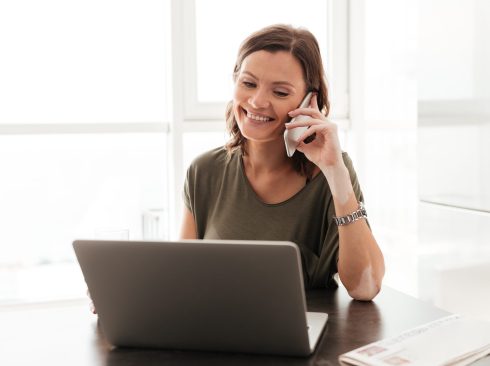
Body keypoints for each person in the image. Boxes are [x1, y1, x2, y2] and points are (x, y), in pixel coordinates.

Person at [181, 24, 384, 301]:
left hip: (303, 337)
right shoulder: (204, 171)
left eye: (280, 92)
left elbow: (365, 287)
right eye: (249, 83)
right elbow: (182, 277)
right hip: (218, 333)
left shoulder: (332, 172)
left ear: (309, 101)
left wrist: (335, 172)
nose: (257, 102)